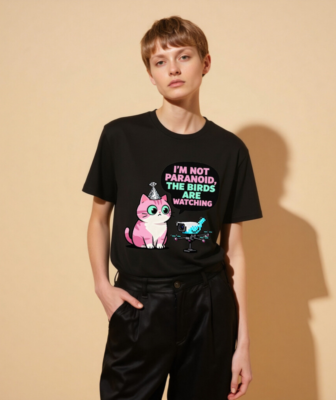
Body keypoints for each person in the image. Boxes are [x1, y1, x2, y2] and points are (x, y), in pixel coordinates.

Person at [82, 15, 263, 400]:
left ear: (205, 63)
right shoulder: (120, 136)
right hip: (140, 302)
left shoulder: (230, 150)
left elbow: (235, 250)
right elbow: (98, 219)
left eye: (184, 57)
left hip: (208, 304)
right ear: (151, 74)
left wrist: (242, 343)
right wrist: (103, 287)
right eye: (160, 61)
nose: (173, 69)